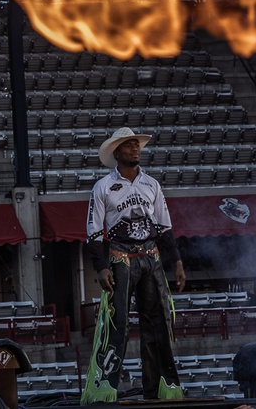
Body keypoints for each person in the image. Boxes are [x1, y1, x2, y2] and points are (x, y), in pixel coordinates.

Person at [85, 127, 186, 401]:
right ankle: (105, 389)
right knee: (117, 325)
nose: (135, 149)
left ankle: (159, 389)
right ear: (116, 152)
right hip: (120, 258)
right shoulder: (103, 187)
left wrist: (176, 261)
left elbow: (165, 227)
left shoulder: (152, 184)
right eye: (128, 146)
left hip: (151, 257)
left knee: (158, 323)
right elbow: (94, 232)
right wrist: (101, 267)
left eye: (136, 145)